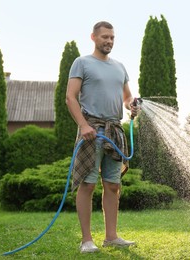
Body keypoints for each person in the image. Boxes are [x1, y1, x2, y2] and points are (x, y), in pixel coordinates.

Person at [66, 21, 139, 253]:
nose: (109, 41)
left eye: (112, 38)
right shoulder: (82, 63)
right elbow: (70, 97)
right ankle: (86, 240)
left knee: (113, 185)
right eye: (105, 37)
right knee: (87, 185)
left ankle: (111, 237)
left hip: (114, 131)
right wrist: (83, 125)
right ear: (93, 37)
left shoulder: (120, 67)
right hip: (92, 131)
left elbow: (127, 98)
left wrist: (132, 106)